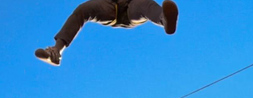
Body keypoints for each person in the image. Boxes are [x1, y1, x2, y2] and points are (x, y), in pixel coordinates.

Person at [35, 0, 179, 66]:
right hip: (110, 6)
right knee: (83, 9)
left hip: (133, 6)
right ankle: (56, 51)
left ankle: (165, 19)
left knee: (145, 4)